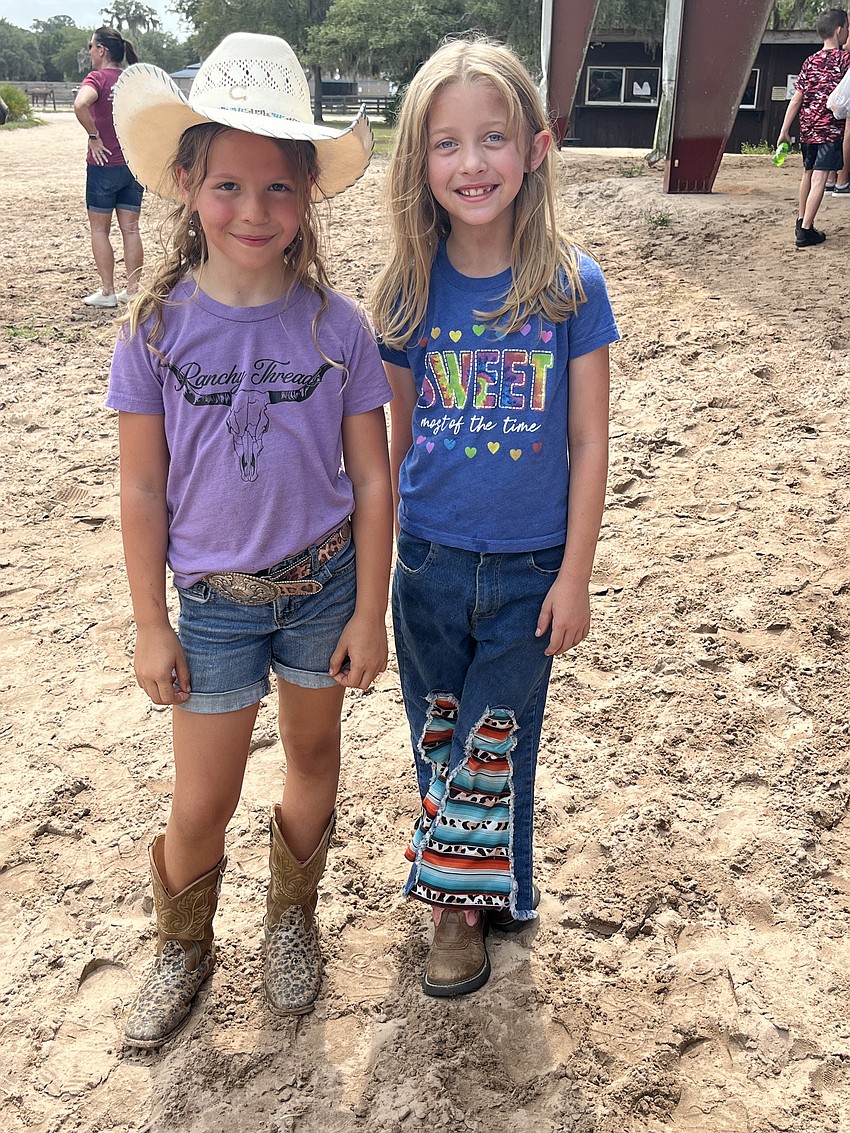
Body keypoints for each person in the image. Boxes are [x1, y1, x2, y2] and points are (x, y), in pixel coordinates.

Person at [106, 32, 393, 1047]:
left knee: (313, 754)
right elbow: (143, 487)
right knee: (205, 792)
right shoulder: (153, 330)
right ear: (187, 182)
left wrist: (368, 607)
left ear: (307, 193)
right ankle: (181, 944)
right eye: (228, 184)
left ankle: (290, 921)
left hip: (323, 588)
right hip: (214, 605)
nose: (254, 210)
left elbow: (369, 476)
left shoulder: (339, 329)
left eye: (278, 188)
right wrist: (151, 622)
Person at [372, 37, 619, 997]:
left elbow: (590, 442)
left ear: (538, 146)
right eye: (446, 144)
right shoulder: (404, 294)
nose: (471, 164)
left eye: (492, 138)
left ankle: (454, 914)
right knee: (443, 734)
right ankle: (482, 886)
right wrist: (374, 583)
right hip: (428, 566)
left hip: (529, 569)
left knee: (497, 738)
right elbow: (388, 454)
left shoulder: (570, 286)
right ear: (419, 162)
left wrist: (575, 574)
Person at [74, 26, 144, 307]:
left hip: (103, 165)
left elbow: (81, 104)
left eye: (91, 47)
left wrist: (93, 136)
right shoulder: (130, 80)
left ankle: (107, 292)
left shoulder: (97, 78)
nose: (90, 52)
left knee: (100, 230)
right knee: (131, 230)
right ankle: (134, 289)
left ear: (101, 50)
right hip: (131, 165)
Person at [777, 7, 849, 247]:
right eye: (847, 29)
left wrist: (784, 130)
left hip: (807, 128)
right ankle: (806, 231)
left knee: (807, 174)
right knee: (820, 178)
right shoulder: (844, 60)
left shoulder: (810, 61)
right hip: (830, 130)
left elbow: (796, 98)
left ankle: (801, 219)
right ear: (839, 31)